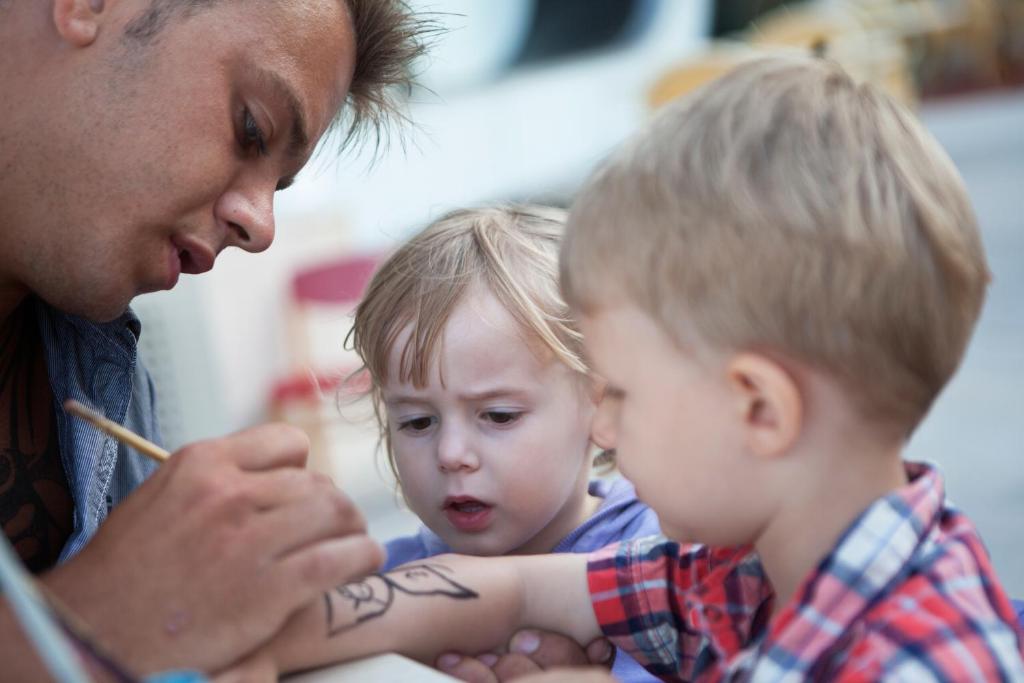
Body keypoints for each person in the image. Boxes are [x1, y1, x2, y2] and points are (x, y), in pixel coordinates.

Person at [227, 55, 1024, 681]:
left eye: (621, 392)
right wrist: (238, 632)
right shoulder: (730, 579)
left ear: (759, 408)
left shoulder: (918, 661)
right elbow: (515, 588)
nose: (601, 427)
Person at [0, 0, 434, 678]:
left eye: (279, 185)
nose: (261, 226)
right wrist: (104, 618)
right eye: (251, 128)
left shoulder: (98, 368)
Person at [346, 205, 661, 681]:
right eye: (417, 422)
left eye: (498, 415)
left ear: (601, 406)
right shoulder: (384, 583)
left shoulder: (664, 554)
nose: (451, 454)